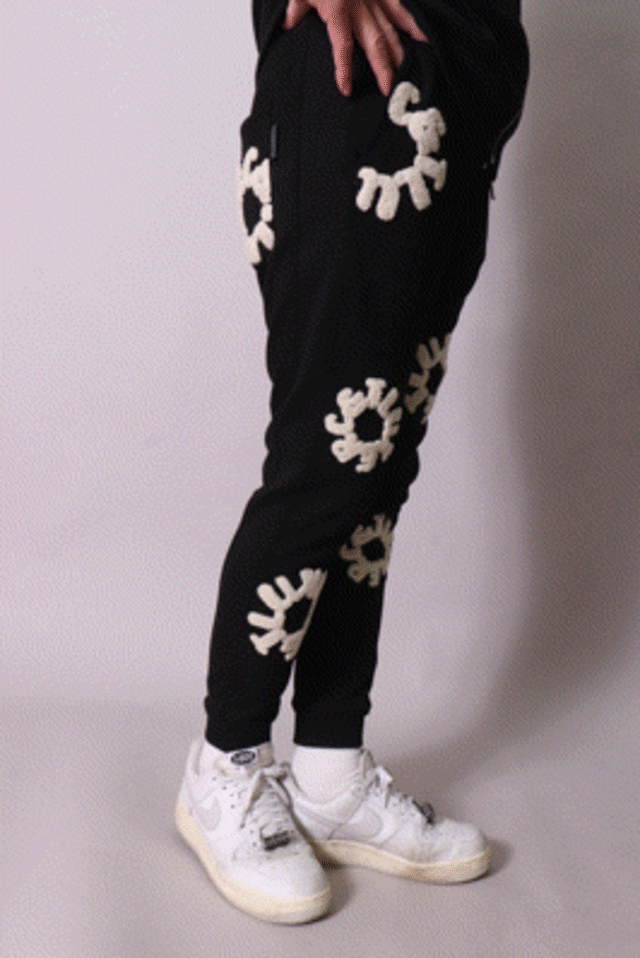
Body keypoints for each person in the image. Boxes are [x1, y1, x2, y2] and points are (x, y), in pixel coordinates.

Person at [175, 0, 529, 924]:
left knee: (378, 465)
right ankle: (225, 762)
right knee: (328, 457)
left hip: (453, 93)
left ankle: (330, 769)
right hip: (356, 90)